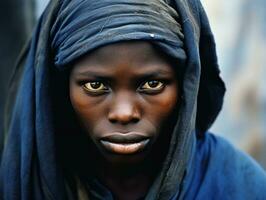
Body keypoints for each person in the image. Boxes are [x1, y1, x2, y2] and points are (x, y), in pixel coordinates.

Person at [0, 0, 265, 199]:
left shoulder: (240, 186)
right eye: (95, 85)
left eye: (152, 84)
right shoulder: (27, 181)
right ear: (60, 87)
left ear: (186, 85)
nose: (124, 113)